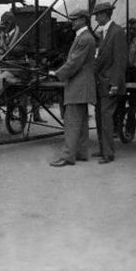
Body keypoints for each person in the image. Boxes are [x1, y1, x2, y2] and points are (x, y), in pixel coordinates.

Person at [48, 10, 96, 167]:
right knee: (81, 122)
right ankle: (81, 153)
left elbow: (74, 62)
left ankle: (68, 156)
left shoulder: (85, 38)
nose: (72, 22)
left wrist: (57, 73)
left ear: (83, 20)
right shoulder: (84, 37)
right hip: (82, 85)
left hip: (78, 85)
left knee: (72, 122)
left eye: (75, 20)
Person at [91, 2, 126, 164]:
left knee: (106, 119)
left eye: (97, 15)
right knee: (100, 117)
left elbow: (119, 60)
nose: (96, 18)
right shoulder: (104, 33)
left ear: (105, 14)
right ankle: (103, 149)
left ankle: (108, 153)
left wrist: (115, 84)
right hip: (101, 83)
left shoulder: (117, 32)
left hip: (109, 84)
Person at [115, 19, 136, 133]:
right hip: (124, 73)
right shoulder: (123, 42)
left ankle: (129, 129)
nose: (131, 31)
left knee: (133, 105)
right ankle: (117, 128)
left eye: (134, 29)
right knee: (120, 102)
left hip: (135, 73)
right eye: (129, 28)